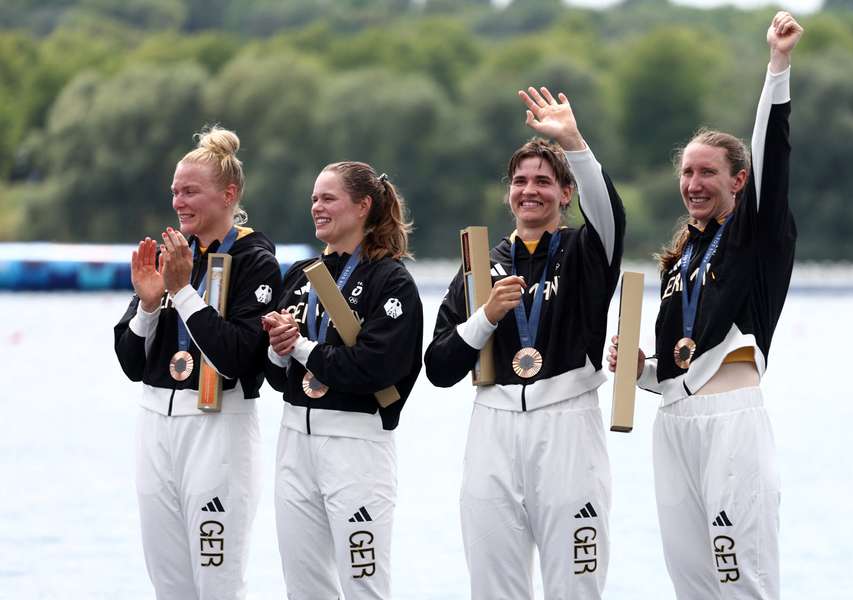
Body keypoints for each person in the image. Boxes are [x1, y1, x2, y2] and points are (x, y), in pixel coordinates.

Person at [607, 11, 803, 599]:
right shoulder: (677, 263)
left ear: (738, 181)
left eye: (708, 172)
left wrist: (778, 66)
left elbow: (774, 155)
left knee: (741, 576)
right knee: (690, 581)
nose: (693, 182)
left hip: (731, 423)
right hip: (674, 422)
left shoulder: (757, 236)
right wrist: (636, 369)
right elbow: (673, 369)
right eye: (686, 172)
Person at [424, 87, 625, 598]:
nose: (529, 190)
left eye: (542, 181)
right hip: (492, 427)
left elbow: (610, 215)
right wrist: (486, 317)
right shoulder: (480, 264)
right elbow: (440, 367)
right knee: (493, 586)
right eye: (519, 181)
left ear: (565, 193)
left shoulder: (585, 250)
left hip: (566, 422)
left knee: (575, 585)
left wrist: (574, 141)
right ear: (507, 193)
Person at [113, 126, 282, 599]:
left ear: (228, 195)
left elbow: (236, 357)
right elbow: (129, 363)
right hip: (155, 425)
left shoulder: (256, 259)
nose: (178, 202)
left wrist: (183, 291)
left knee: (216, 580)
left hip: (217, 425)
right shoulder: (173, 255)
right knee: (169, 582)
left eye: (190, 191)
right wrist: (148, 306)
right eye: (174, 191)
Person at [262, 161, 423, 600]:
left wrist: (297, 347)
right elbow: (279, 379)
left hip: (355, 447)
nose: (317, 207)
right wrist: (277, 351)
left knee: (363, 584)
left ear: (362, 206)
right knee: (304, 587)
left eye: (328, 198)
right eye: (314, 198)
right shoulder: (299, 274)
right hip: (294, 440)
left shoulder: (390, 280)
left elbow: (375, 367)